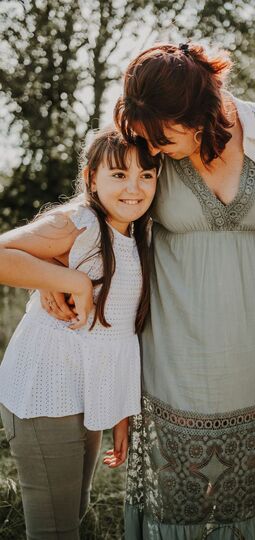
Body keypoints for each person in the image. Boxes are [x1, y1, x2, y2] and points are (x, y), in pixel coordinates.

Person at [111, 42, 255, 539]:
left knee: (248, 497)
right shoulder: (144, 151)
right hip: (174, 364)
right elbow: (95, 217)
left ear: (200, 114)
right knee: (177, 505)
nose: (154, 145)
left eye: (164, 135)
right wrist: (60, 275)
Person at [0, 129, 160, 539]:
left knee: (76, 508)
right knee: (54, 528)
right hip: (43, 392)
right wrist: (72, 280)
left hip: (86, 394)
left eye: (146, 175)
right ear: (91, 178)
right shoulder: (79, 222)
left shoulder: (138, 235)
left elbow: (120, 336)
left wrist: (119, 414)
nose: (134, 188)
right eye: (119, 175)